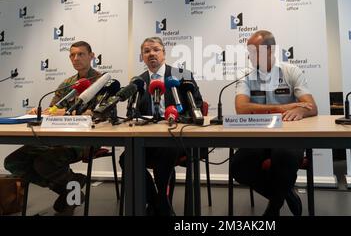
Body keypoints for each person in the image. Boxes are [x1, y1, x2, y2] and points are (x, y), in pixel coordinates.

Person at [4, 41, 101, 214]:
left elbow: (102, 114)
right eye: (72, 55)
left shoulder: (102, 81)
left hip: (84, 140)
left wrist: (65, 113)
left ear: (92, 56)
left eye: (81, 54)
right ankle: (71, 186)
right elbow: (52, 110)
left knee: (44, 162)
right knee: (13, 162)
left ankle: (71, 190)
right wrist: (40, 112)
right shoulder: (67, 83)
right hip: (55, 137)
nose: (76, 58)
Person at [230, 30, 318, 216]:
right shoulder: (245, 75)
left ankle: (273, 207)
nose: (249, 56)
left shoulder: (290, 71)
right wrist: (281, 109)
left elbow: (311, 107)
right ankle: (284, 194)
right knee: (238, 166)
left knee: (284, 158)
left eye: (254, 52)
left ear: (270, 51)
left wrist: (301, 109)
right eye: (249, 52)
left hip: (288, 137)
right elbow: (242, 108)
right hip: (258, 137)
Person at [119, 37, 203, 216]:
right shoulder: (139, 81)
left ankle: (159, 205)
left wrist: (179, 119)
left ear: (163, 53)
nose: (151, 54)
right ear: (142, 57)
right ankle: (159, 203)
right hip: (147, 140)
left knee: (165, 153)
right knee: (126, 158)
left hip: (177, 138)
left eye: (156, 49)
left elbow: (196, 105)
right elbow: (131, 113)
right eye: (147, 51)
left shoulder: (182, 75)